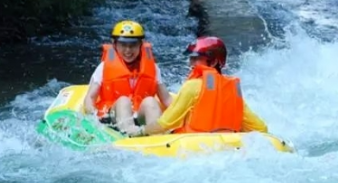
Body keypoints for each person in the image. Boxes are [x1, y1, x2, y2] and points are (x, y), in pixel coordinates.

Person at [125, 36, 268, 137]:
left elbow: (165, 124)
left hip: (189, 144)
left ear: (212, 63)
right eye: (191, 58)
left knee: (153, 103)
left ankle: (133, 119)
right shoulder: (233, 90)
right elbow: (260, 128)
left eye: (196, 59)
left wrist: (140, 132)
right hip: (222, 147)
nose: (190, 64)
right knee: (168, 98)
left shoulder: (192, 86)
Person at [83, 20, 173, 132]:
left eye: (133, 45)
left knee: (150, 101)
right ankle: (129, 133)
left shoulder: (153, 67)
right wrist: (93, 117)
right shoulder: (104, 67)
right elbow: (90, 98)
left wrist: (184, 114)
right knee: (123, 101)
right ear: (115, 44)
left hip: (139, 116)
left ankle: (156, 136)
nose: (128, 50)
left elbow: (167, 98)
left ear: (141, 44)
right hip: (114, 117)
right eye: (123, 45)